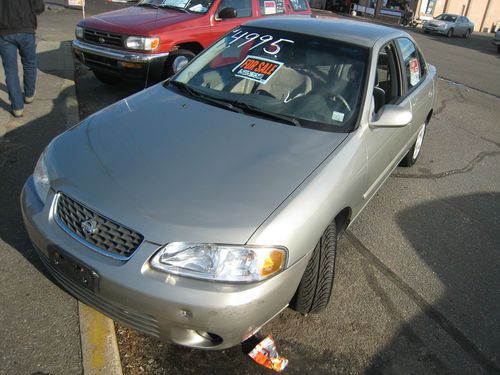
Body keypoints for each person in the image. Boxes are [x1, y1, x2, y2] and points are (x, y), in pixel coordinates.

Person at [0, 0, 45, 117]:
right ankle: (29, 94)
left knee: (10, 71)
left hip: (4, 31)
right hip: (26, 28)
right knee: (29, 63)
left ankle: (17, 107)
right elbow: (39, 7)